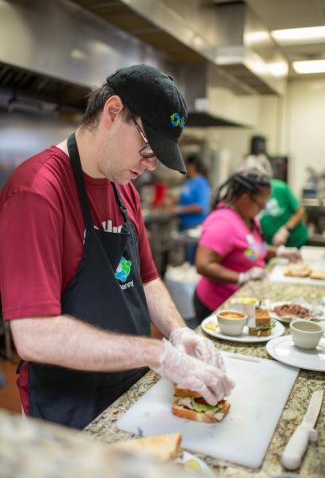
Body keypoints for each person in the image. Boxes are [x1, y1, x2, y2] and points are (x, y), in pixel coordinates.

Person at [0, 64, 234, 429]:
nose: (151, 164)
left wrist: (178, 332)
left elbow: (147, 278)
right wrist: (158, 354)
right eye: (148, 147)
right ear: (113, 112)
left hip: (130, 387)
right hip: (69, 408)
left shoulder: (124, 188)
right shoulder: (37, 192)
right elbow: (33, 335)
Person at [194, 169, 300, 322]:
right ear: (245, 198)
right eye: (261, 205)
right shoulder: (223, 223)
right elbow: (203, 265)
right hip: (219, 306)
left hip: (242, 300)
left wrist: (279, 252)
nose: (262, 210)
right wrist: (243, 277)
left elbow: (249, 251)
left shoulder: (248, 217)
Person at [244, 148, 308, 248]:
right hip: (269, 246)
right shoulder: (245, 206)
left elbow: (300, 210)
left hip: (294, 241)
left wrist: (286, 229)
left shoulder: (280, 188)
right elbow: (250, 253)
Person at [168, 155, 211, 263]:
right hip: (183, 225)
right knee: (184, 258)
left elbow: (201, 206)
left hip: (194, 226)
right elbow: (185, 198)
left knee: (191, 259)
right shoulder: (189, 182)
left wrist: (179, 209)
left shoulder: (201, 183)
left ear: (192, 166)